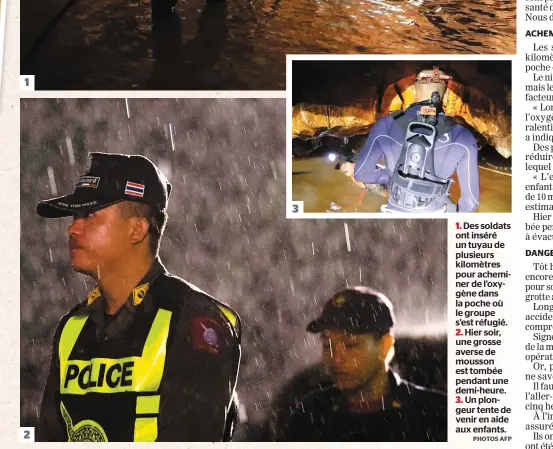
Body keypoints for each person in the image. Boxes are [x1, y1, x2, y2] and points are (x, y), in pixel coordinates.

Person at [36, 152, 241, 442]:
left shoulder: (196, 320)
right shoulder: (72, 327)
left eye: (88, 215)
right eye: (74, 216)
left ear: (137, 228)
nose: (72, 227)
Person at [280, 287, 446, 441]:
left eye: (351, 345)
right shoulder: (311, 413)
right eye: (327, 345)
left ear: (385, 345)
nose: (336, 357)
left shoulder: (435, 414)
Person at [340, 67, 480, 212]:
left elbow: (361, 173)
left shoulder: (386, 124)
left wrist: (392, 177)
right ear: (445, 97)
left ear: (413, 92)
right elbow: (471, 203)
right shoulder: (463, 136)